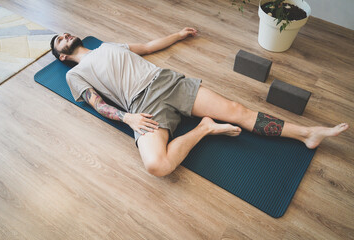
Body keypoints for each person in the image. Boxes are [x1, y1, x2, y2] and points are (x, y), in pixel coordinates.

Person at [50, 27, 349, 177]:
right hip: (141, 106)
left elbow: (147, 47)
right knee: (157, 166)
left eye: (64, 33)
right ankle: (204, 128)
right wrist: (128, 118)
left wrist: (178, 34)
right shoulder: (74, 74)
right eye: (59, 41)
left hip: (165, 81)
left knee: (237, 111)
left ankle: (307, 133)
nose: (64, 35)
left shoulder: (109, 46)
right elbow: (96, 103)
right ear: (62, 56)